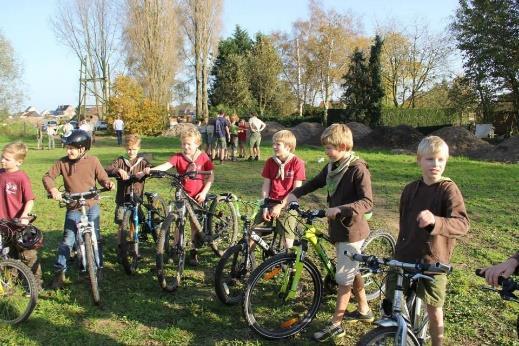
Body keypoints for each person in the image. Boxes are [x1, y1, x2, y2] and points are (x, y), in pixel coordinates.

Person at [286, 123, 374, 342]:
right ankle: (364, 309)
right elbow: (315, 182)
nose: (326, 151)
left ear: (343, 146)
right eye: (325, 147)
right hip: (338, 229)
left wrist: (341, 209)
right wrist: (295, 193)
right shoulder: (332, 167)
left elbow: (367, 202)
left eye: (329, 148)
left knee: (343, 277)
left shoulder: (357, 169)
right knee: (349, 271)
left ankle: (336, 324)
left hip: (351, 231)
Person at [386, 135, 469, 346]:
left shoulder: (448, 189)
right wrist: (399, 249)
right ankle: (394, 332)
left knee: (434, 308)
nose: (435, 164)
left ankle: (437, 343)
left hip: (433, 261)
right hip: (405, 255)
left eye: (441, 160)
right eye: (430, 159)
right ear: (419, 160)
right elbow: (404, 223)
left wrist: (436, 221)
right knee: (390, 300)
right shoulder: (410, 189)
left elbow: (462, 224)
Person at [43, 129, 115, 289]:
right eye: (67, 147)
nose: (68, 151)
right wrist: (53, 189)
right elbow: (48, 177)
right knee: (67, 240)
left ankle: (98, 267)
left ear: (82, 149)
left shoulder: (93, 161)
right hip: (74, 207)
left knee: (95, 237)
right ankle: (59, 272)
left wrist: (107, 183)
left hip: (91, 205)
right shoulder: (62, 163)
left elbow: (103, 177)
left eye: (72, 148)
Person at [144, 127, 214, 266]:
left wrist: (204, 192)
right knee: (178, 222)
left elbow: (211, 176)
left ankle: (194, 252)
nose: (185, 147)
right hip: (181, 194)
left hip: (197, 196)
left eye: (189, 144)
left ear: (197, 144)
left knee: (195, 224)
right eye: (183, 144)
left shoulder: (203, 157)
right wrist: (151, 170)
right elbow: (166, 166)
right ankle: (176, 249)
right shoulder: (178, 157)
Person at [253, 130, 305, 249]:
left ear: (288, 147)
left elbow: (297, 189)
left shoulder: (297, 163)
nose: (274, 147)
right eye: (273, 144)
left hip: (288, 204)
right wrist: (265, 206)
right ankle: (246, 262)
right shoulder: (270, 162)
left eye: (278, 144)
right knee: (254, 233)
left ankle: (288, 263)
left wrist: (280, 206)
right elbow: (266, 185)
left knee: (288, 240)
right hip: (270, 201)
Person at [0, 142, 42, 290]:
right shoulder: (0, 173)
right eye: (2, 157)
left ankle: (35, 285)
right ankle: (12, 283)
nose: (2, 160)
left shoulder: (21, 177)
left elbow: (29, 200)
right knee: (8, 254)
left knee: (28, 256)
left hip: (19, 224)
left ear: (19, 161)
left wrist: (24, 216)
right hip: (3, 224)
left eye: (6, 159)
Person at [105, 134, 150, 252]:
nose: (131, 152)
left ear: (138, 149)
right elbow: (107, 169)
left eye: (134, 149)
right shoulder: (120, 161)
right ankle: (121, 246)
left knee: (134, 222)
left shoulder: (143, 162)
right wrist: (118, 170)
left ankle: (133, 243)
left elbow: (150, 169)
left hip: (136, 197)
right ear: (126, 148)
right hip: (122, 199)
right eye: (129, 149)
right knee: (121, 223)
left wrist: (146, 172)